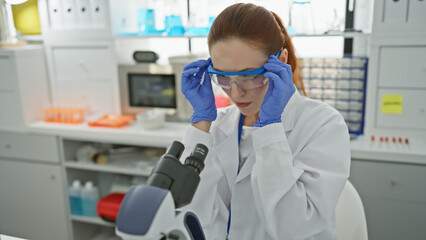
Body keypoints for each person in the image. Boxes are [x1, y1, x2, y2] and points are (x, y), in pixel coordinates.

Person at [179, 3, 350, 240]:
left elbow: (291, 228)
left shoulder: (323, 125)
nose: (236, 93)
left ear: (281, 60)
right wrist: (201, 125)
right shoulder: (217, 125)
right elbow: (187, 215)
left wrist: (269, 128)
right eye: (224, 77)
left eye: (249, 75)